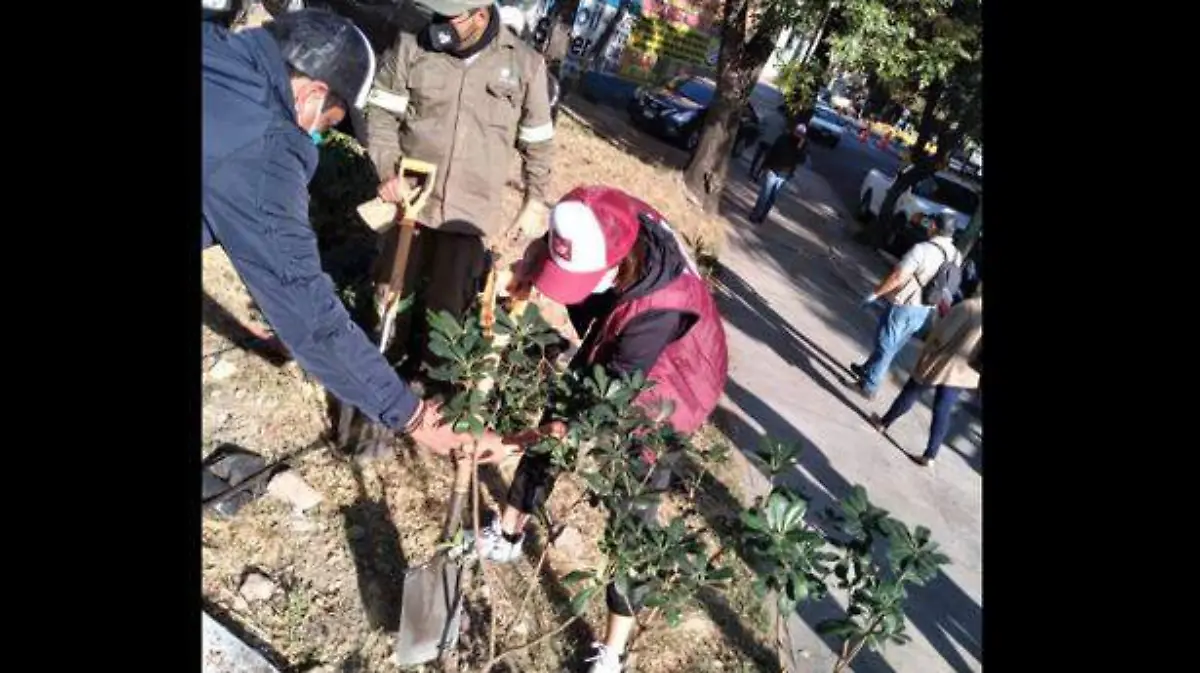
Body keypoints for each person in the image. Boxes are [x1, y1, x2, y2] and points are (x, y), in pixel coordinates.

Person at [202, 10, 507, 460]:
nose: (320, 137)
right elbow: (308, 312)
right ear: (311, 95)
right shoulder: (265, 153)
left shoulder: (214, 45)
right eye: (328, 125)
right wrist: (413, 417)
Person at [471, 186, 729, 673]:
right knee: (558, 415)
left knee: (632, 507)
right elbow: (554, 243)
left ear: (617, 263)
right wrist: (533, 264)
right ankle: (508, 533)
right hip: (623, 328)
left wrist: (507, 440)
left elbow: (589, 414)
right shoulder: (597, 213)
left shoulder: (658, 312)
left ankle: (613, 650)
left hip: (668, 387)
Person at [363, 0, 555, 376]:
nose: (437, 23)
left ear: (479, 16)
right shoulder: (411, 46)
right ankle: (380, 366)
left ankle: (431, 384)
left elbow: (538, 141)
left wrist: (535, 198)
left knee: (448, 309)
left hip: (468, 215)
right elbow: (382, 112)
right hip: (412, 201)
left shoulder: (526, 65)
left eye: (448, 16)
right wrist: (388, 170)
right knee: (390, 294)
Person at [848, 212, 962, 399]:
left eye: (929, 224)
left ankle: (868, 386)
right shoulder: (956, 255)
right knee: (895, 343)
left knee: (885, 342)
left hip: (905, 303)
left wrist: (875, 293)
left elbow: (897, 276)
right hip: (926, 308)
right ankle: (868, 369)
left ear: (934, 226)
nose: (927, 226)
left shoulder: (923, 249)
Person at [869, 286, 982, 467]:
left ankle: (883, 422)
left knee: (911, 391)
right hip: (965, 373)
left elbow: (942, 336)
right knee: (943, 410)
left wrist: (928, 352)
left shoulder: (968, 307)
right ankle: (930, 455)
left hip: (942, 364)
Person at [747, 123, 808, 224]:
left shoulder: (801, 145)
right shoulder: (783, 138)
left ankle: (762, 216)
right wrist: (764, 166)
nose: (798, 134)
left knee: (772, 196)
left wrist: (799, 148)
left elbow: (800, 160)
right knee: (765, 194)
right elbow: (772, 151)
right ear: (794, 130)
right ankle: (755, 214)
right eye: (797, 132)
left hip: (784, 174)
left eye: (801, 133)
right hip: (773, 169)